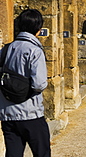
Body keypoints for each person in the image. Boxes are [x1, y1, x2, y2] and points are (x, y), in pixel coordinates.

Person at [0, 9, 50, 157]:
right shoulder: (35, 51)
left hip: (7, 113)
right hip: (30, 113)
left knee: (13, 153)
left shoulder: (5, 49)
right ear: (39, 30)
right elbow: (39, 84)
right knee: (42, 152)